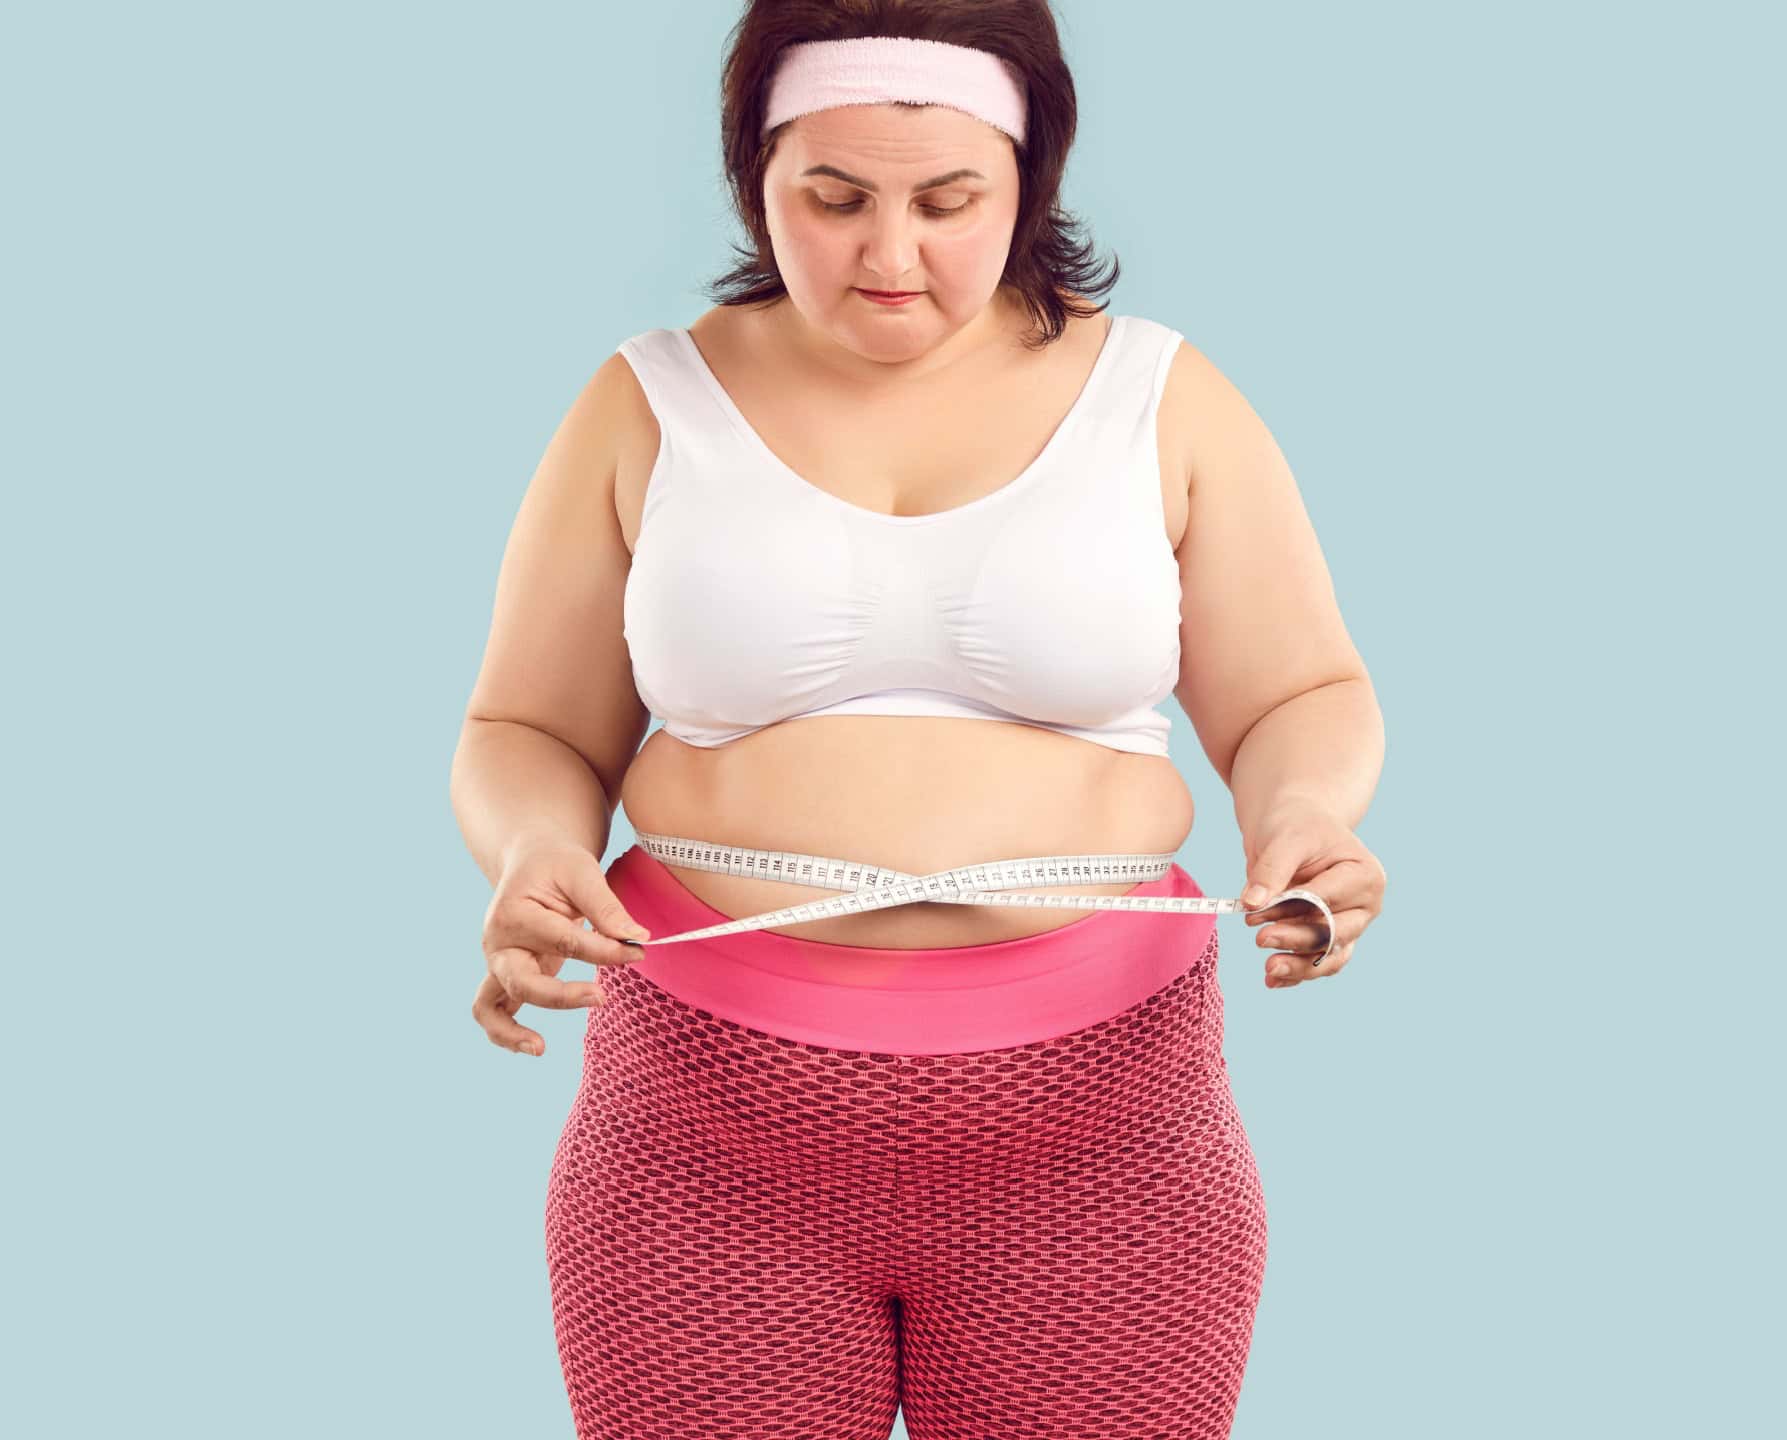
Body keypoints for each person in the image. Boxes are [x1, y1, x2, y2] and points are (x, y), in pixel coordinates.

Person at [448, 8, 1386, 1437]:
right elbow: (528, 725)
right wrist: (527, 853)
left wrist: (1305, 819)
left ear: (1030, 178)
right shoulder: (649, 406)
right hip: (702, 1134)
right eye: (833, 200)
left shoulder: (1160, 400)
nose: (891, 258)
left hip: (1107, 1137)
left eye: (950, 203)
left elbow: (1298, 693)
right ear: (753, 176)